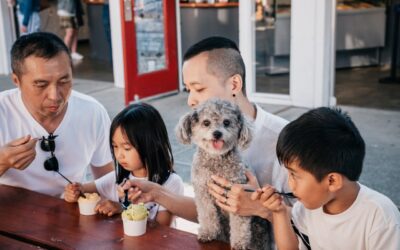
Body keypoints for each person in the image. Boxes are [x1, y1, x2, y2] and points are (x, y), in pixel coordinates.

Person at [120, 36, 291, 224]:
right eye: (188, 90)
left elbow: (314, 222)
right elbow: (208, 212)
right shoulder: (208, 136)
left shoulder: (283, 139)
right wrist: (156, 193)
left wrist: (261, 209)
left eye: (199, 89)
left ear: (234, 84)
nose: (190, 100)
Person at [252, 107, 400, 249]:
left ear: (332, 181)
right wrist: (279, 212)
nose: (290, 183)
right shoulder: (308, 207)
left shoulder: (380, 217)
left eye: (294, 175)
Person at [0, 32, 113, 197]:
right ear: (16, 81)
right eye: (41, 84)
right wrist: (2, 161)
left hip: (71, 213)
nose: (55, 95)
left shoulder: (92, 112)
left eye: (64, 81)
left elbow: (107, 181)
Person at [64, 103, 184, 226]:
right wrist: (74, 192)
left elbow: (162, 228)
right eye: (115, 146)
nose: (119, 155)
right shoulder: (117, 178)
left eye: (127, 148)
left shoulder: (171, 183)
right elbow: (84, 189)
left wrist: (123, 209)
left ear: (150, 145)